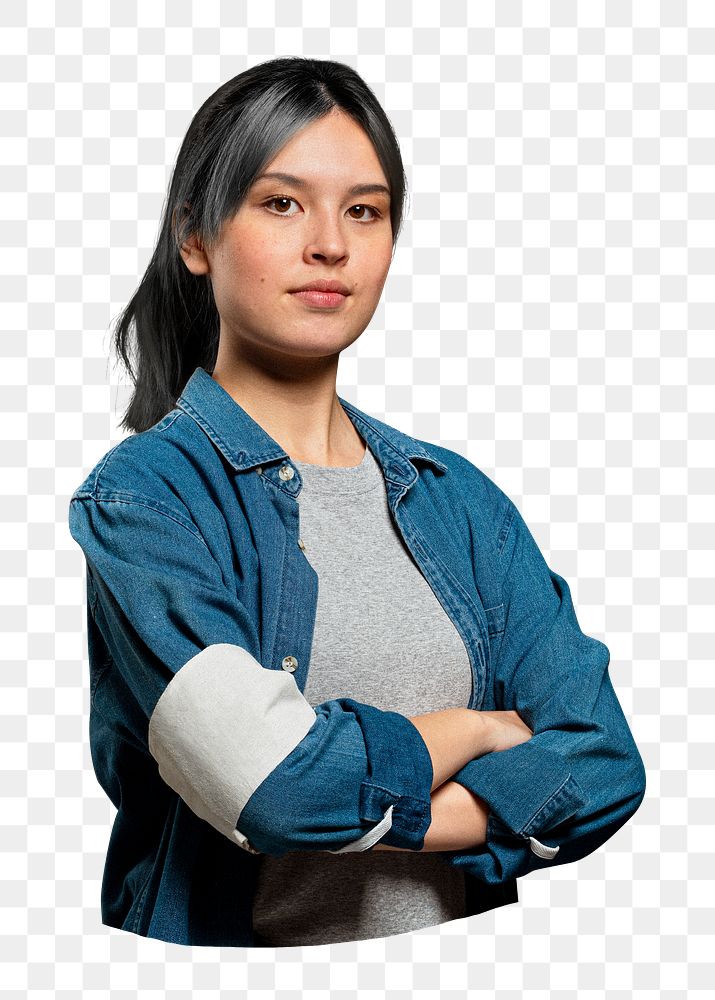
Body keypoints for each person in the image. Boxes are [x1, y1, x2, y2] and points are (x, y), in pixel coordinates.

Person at [68, 56, 647, 948]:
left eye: (364, 211)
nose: (330, 245)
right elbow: (273, 788)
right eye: (281, 203)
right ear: (195, 236)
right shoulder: (144, 501)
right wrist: (478, 729)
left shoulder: (458, 502)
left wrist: (403, 812)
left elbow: (602, 761)